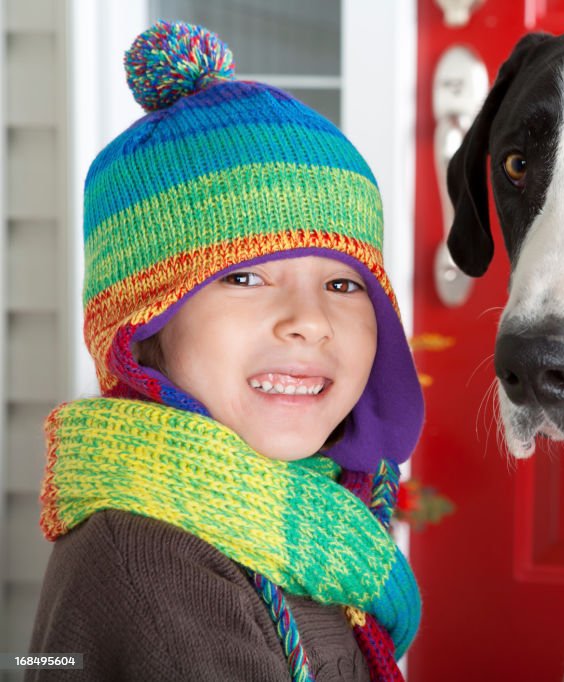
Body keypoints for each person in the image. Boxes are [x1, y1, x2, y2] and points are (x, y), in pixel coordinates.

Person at [28, 20, 424, 682]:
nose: (308, 321)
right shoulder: (160, 567)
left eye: (342, 283)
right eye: (244, 277)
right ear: (145, 326)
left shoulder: (313, 526)